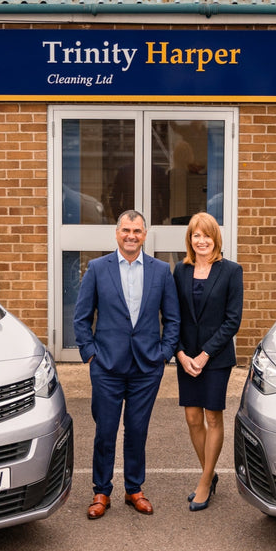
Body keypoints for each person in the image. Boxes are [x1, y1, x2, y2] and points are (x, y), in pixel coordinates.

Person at [73, 209, 180, 519]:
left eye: (137, 231)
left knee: (137, 430)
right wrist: (90, 354)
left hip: (147, 367)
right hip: (106, 366)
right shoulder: (97, 268)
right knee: (105, 431)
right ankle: (101, 491)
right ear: (117, 233)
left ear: (145, 235)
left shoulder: (161, 271)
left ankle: (134, 488)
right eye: (126, 230)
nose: (131, 236)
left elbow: (172, 318)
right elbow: (81, 317)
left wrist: (164, 353)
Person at [172, 212, 243, 511]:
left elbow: (232, 321)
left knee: (213, 417)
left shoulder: (231, 271)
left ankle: (204, 482)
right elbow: (172, 316)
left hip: (215, 358)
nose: (202, 241)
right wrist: (180, 354)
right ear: (189, 239)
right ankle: (209, 473)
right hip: (186, 357)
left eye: (207, 235)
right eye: (196, 235)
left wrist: (204, 355)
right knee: (192, 417)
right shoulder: (180, 270)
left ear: (216, 238)